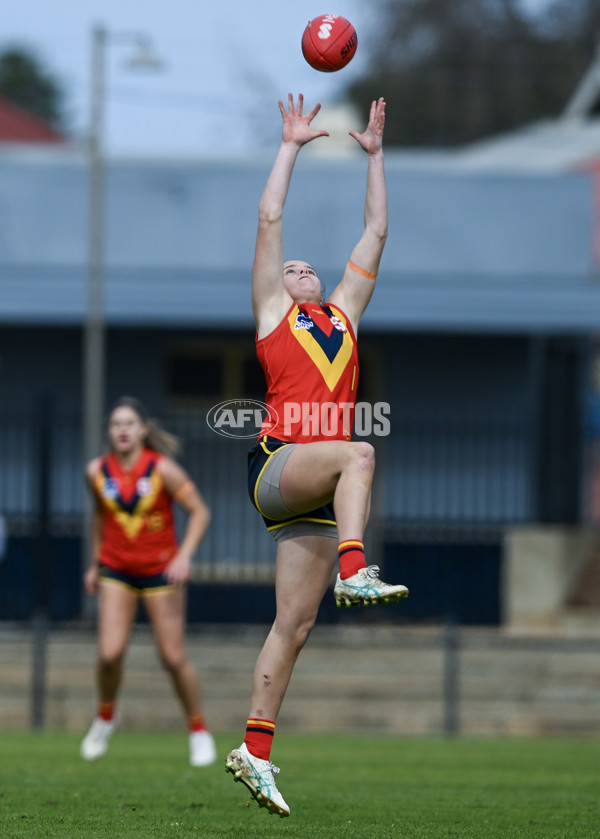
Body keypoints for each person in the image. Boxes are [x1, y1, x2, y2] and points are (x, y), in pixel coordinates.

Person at [225, 94, 408, 817]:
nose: (297, 267)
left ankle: (255, 751)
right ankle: (359, 571)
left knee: (293, 626)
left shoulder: (345, 316)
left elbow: (378, 229)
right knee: (360, 450)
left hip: (312, 482)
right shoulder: (276, 316)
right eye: (290, 267)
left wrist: (375, 156)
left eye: (305, 266)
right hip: (278, 466)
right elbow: (270, 220)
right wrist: (291, 146)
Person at [80, 395, 216, 767]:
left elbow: (200, 511)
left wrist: (184, 555)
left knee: (172, 657)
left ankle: (198, 729)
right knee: (109, 653)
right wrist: (94, 564)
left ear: (142, 430)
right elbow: (99, 520)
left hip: (160, 571)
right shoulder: (96, 472)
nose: (122, 430)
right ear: (109, 431)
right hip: (116, 569)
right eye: (115, 424)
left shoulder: (162, 469)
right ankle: (106, 717)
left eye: (129, 423)